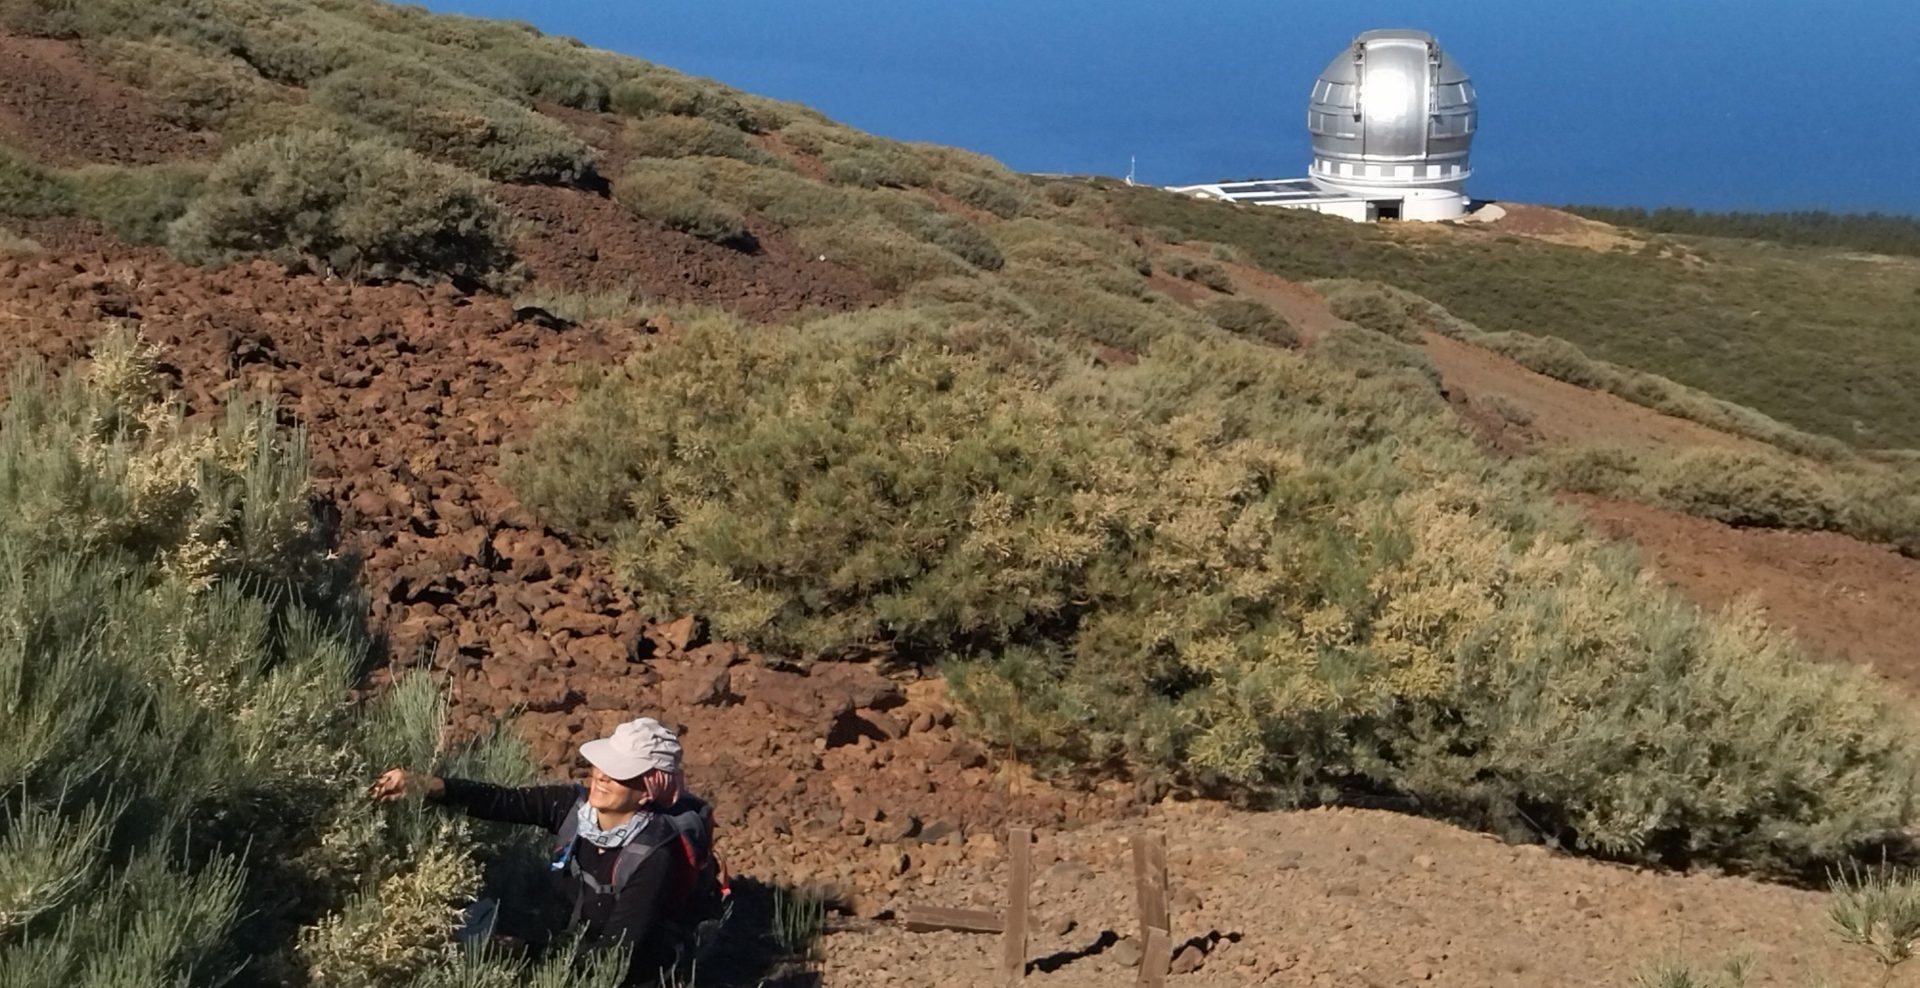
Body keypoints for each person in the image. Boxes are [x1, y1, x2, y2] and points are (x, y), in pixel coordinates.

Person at [371, 717, 726, 984]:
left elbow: (613, 959)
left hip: (631, 972)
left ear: (649, 790)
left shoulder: (656, 856)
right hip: (569, 939)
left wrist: (520, 953)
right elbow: (502, 800)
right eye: (603, 764)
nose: (601, 776)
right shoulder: (574, 807)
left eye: (620, 773)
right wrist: (424, 785)